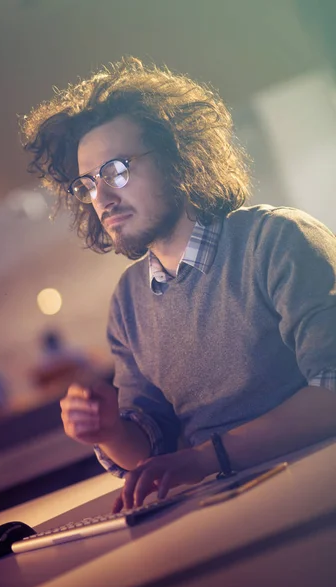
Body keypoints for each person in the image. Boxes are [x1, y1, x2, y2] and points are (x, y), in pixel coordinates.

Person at [22, 57, 336, 511]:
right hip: (217, 509)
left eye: (115, 171)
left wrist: (207, 459)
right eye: (88, 184)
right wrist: (109, 431)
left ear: (177, 158)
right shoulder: (128, 302)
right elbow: (155, 447)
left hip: (313, 494)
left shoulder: (278, 239)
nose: (102, 199)